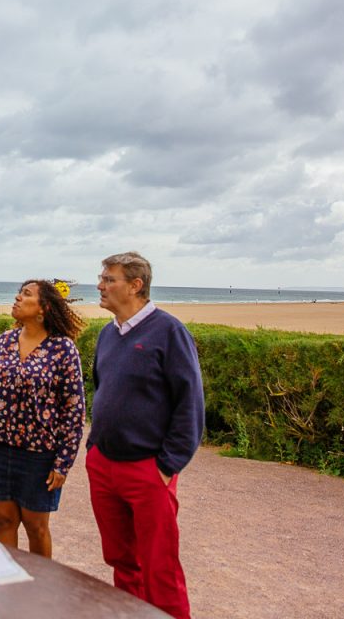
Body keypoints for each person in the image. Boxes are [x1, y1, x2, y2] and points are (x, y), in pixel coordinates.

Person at [87, 252, 204, 619]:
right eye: (102, 278)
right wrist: (93, 448)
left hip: (147, 469)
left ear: (136, 285)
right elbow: (101, 387)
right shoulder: (108, 333)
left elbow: (190, 404)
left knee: (160, 566)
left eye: (109, 279)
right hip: (104, 464)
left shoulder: (169, 332)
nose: (100, 285)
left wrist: (168, 465)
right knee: (121, 559)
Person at [0, 280, 85, 558]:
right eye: (19, 293)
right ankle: (8, 586)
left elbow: (74, 409)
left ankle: (39, 592)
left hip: (39, 452)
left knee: (36, 526)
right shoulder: (4, 341)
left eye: (26, 294)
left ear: (43, 307)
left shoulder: (63, 349)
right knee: (4, 520)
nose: (17, 298)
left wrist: (63, 462)